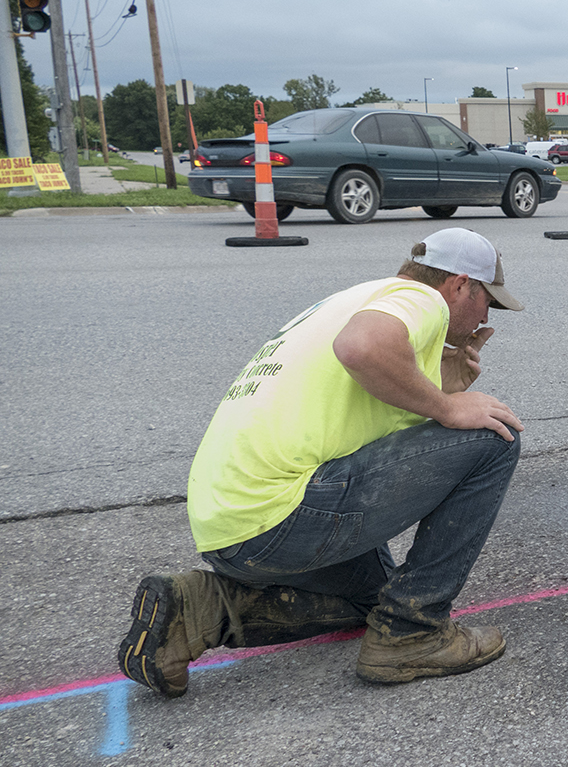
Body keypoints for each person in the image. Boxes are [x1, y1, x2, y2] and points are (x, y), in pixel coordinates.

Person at [118, 228, 527, 697]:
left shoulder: (353, 300)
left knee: (373, 599)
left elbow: (377, 441)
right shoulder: (419, 299)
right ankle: (414, 632)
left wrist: (441, 386)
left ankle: (202, 607)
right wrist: (452, 408)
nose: (487, 315)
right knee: (494, 436)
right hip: (281, 518)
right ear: (459, 285)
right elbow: (362, 348)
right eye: (487, 301)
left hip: (232, 532)